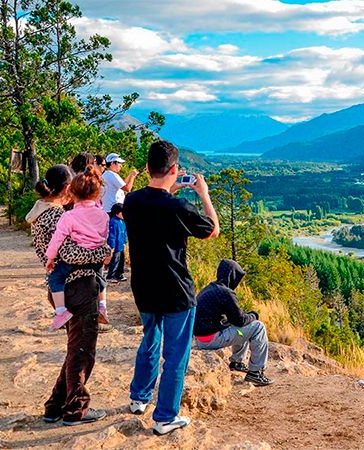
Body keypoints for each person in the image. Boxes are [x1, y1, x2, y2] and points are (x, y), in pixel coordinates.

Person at [123, 140, 219, 436]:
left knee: (150, 341)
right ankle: (165, 416)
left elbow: (154, 205)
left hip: (144, 287)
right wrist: (203, 195)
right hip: (176, 291)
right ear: (175, 169)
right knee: (176, 356)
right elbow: (212, 230)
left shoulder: (132, 201)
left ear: (149, 167)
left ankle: (139, 398)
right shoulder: (178, 207)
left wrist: (170, 190)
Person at [29, 164, 110, 426]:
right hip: (79, 287)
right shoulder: (56, 216)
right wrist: (103, 253)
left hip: (65, 289)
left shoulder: (44, 214)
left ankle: (55, 406)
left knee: (76, 348)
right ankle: (75, 409)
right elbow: (70, 255)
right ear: (67, 189)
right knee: (83, 352)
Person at [44, 167, 111, 331]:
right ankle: (102, 305)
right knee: (101, 277)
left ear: (72, 194)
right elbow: (105, 236)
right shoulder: (103, 215)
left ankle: (60, 311)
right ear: (97, 195)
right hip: (96, 260)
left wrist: (50, 258)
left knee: (55, 277)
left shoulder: (68, 216)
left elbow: (57, 239)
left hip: (75, 261)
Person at [193, 259, 273, 386]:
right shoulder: (226, 292)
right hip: (211, 339)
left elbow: (234, 319)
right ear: (232, 276)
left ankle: (237, 362)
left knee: (241, 328)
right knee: (257, 327)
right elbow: (240, 321)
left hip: (201, 339)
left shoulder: (210, 288)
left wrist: (245, 317)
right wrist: (254, 315)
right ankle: (255, 372)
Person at [106, 203, 127, 283]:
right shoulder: (113, 222)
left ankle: (119, 274)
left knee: (121, 260)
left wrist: (125, 241)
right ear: (117, 213)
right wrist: (112, 246)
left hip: (121, 245)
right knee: (115, 261)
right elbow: (112, 236)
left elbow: (124, 232)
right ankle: (110, 276)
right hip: (116, 247)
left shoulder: (122, 221)